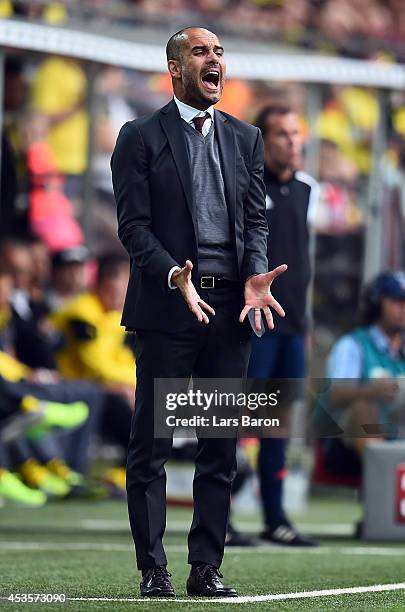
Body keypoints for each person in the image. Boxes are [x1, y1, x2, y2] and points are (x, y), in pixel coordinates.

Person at [111, 27, 287, 598]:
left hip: (232, 306)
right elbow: (132, 226)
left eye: (218, 53)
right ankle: (153, 569)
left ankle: (205, 569)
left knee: (220, 443)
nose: (213, 61)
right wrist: (172, 274)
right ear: (174, 67)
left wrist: (256, 271)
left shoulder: (246, 137)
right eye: (199, 52)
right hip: (169, 305)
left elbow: (255, 220)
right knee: (152, 443)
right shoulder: (138, 136)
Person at [248, 105, 318, 546]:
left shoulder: (307, 190)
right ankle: (220, 518)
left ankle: (274, 519)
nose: (292, 142)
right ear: (263, 140)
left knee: (276, 424)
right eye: (281, 134)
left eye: (296, 133)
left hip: (293, 327)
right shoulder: (247, 186)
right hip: (256, 323)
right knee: (232, 421)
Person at [323, 271, 405, 477]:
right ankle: (384, 485)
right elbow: (335, 396)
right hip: (345, 445)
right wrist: (370, 391)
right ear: (377, 303)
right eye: (397, 301)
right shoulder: (353, 345)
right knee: (362, 407)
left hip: (397, 432)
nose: (403, 308)